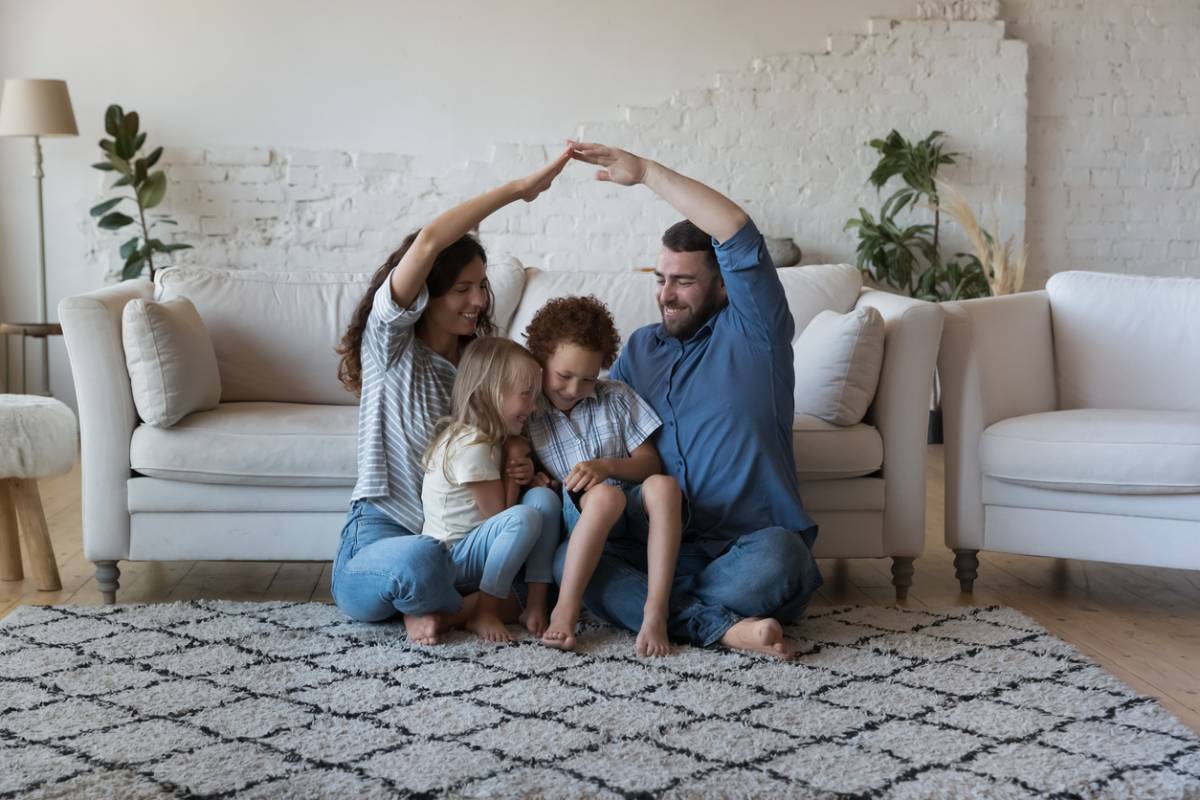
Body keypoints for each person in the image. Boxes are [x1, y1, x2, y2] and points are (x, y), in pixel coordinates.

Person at [561, 140, 823, 659]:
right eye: (661, 279)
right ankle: (724, 628)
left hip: (745, 549)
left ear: (723, 286)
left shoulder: (756, 334)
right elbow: (604, 429)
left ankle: (669, 611)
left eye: (683, 282)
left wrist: (645, 172)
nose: (666, 294)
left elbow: (738, 231)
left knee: (784, 558)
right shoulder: (641, 349)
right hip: (661, 549)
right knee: (570, 562)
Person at [330, 150, 569, 644]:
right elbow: (430, 241)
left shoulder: (479, 367)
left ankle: (440, 608)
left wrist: (520, 458)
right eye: (462, 288)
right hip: (387, 531)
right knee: (419, 559)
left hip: (460, 539)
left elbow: (509, 431)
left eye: (481, 286)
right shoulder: (391, 346)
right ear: (426, 294)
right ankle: (452, 604)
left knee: (543, 511)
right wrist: (518, 190)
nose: (479, 300)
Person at [522, 296, 682, 657]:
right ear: (541, 359)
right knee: (605, 496)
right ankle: (565, 611)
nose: (574, 389)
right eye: (564, 376)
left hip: (630, 508)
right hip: (581, 518)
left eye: (588, 379)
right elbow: (519, 465)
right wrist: (532, 477)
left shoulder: (617, 397)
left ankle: (655, 611)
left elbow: (649, 463)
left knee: (664, 486)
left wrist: (607, 466)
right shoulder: (529, 411)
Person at [419, 338, 559, 643]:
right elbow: (503, 516)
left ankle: (535, 603)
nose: (534, 407)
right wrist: (515, 457)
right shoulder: (471, 445)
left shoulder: (491, 440)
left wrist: (525, 472)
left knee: (544, 499)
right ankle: (485, 610)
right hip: (452, 559)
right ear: (489, 393)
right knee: (524, 518)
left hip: (477, 550)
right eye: (526, 395)